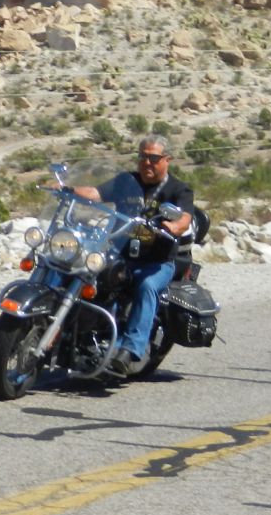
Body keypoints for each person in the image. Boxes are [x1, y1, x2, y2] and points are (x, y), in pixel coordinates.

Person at [72, 135, 193, 373]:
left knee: (146, 287)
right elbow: (95, 193)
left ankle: (130, 350)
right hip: (120, 255)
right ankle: (74, 332)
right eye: (142, 157)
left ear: (167, 160)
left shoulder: (179, 190)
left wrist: (174, 226)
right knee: (84, 272)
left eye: (153, 158)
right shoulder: (126, 181)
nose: (147, 162)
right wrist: (68, 190)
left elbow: (185, 218)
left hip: (157, 262)